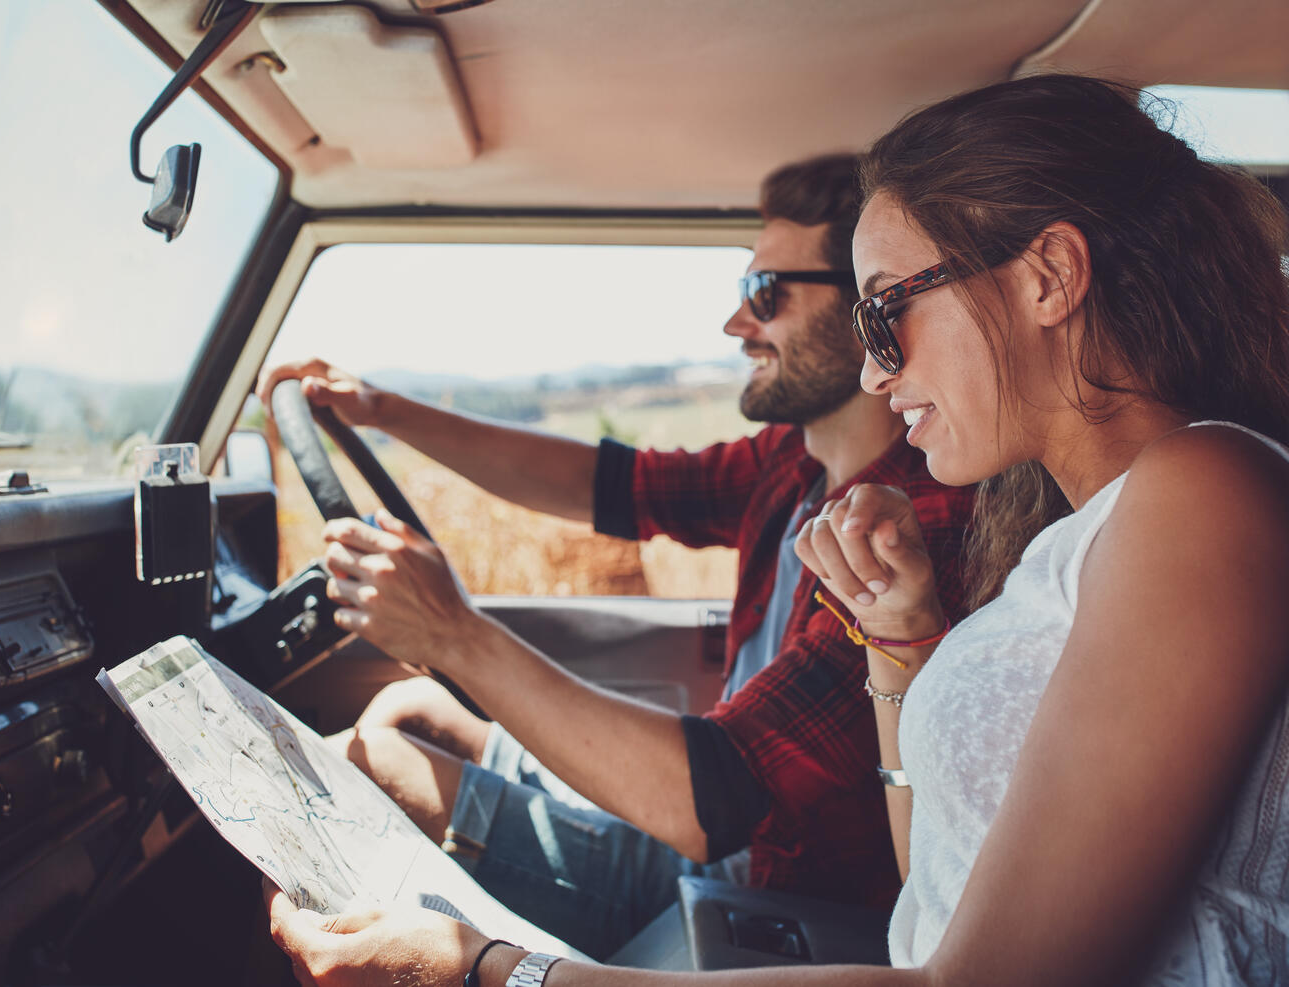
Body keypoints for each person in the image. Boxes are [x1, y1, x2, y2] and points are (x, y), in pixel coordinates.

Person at [266, 73, 1289, 986]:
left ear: (1047, 278)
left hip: (780, 894)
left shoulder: (1198, 490)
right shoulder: (1063, 528)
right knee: (395, 732)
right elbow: (931, 867)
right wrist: (901, 642)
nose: (877, 367)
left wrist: (493, 973)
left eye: (886, 311)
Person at [260, 155, 976, 959]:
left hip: (760, 883)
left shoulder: (907, 527)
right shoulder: (792, 464)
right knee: (401, 711)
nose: (738, 326)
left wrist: (454, 632)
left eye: (764, 295)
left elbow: (714, 804)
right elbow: (605, 482)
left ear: (862, 311)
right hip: (724, 826)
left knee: (368, 762)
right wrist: (381, 408)